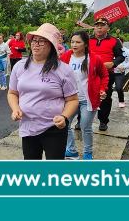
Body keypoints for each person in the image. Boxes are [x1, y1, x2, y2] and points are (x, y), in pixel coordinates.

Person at [8, 23, 79, 160]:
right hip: (28, 126)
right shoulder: (20, 66)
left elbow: (72, 99)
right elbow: (12, 93)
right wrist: (15, 109)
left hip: (53, 127)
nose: (36, 44)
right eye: (34, 40)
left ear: (52, 45)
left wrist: (64, 117)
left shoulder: (63, 69)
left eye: (42, 41)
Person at [60, 31, 109, 160]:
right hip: (70, 100)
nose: (74, 45)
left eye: (78, 42)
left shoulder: (95, 59)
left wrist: (102, 89)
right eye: (72, 42)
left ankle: (88, 152)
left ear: (86, 44)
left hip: (88, 100)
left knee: (85, 127)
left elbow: (104, 75)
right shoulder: (65, 57)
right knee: (64, 124)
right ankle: (71, 151)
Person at [89, 18, 124, 131]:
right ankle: (81, 121)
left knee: (105, 97)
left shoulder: (114, 41)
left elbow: (121, 56)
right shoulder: (87, 40)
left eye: (102, 25)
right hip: (88, 73)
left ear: (108, 28)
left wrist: (113, 63)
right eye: (97, 25)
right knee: (84, 95)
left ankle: (103, 121)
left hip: (107, 73)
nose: (99, 27)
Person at [115, 36, 129, 108]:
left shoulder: (126, 51)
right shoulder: (110, 50)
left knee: (119, 88)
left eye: (119, 42)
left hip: (119, 73)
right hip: (110, 72)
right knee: (106, 88)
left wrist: (124, 66)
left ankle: (121, 101)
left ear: (122, 43)